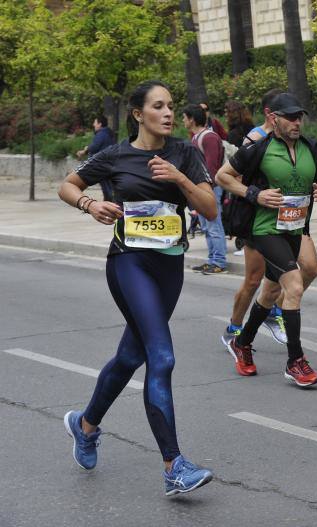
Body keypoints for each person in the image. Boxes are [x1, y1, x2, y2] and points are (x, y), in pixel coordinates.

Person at [57, 80, 216, 495]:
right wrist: (90, 204)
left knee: (131, 355)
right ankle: (173, 466)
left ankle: (85, 425)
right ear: (138, 114)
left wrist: (180, 178)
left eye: (170, 106)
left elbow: (210, 208)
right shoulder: (115, 155)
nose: (167, 113)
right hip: (128, 263)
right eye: (158, 106)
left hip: (170, 266)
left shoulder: (184, 152)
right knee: (160, 356)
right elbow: (67, 185)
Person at [216, 92, 317, 386]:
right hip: (264, 228)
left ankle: (242, 343)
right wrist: (254, 194)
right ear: (274, 119)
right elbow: (223, 176)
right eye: (290, 117)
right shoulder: (259, 148)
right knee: (293, 284)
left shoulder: (311, 148)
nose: (297, 122)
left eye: (300, 117)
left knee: (270, 292)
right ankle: (296, 361)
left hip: (295, 229)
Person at [183, 104, 228, 275]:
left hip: (210, 189)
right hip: (201, 189)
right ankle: (213, 259)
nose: (183, 121)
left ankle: (219, 261)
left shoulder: (208, 137)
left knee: (213, 225)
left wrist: (203, 189)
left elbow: (211, 168)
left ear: (192, 119)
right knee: (207, 226)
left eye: (185, 117)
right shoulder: (197, 137)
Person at [76, 115, 116, 201]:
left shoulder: (102, 133)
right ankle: (109, 201)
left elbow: (95, 146)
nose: (93, 125)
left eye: (95, 122)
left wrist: (85, 150)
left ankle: (110, 202)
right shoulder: (109, 133)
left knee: (106, 186)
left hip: (102, 164)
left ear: (100, 124)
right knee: (108, 185)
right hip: (109, 163)